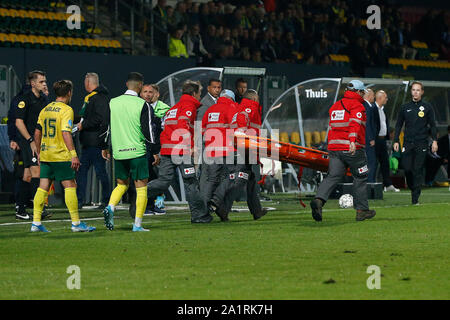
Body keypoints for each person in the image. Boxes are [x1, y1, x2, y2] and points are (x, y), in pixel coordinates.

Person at [30, 80, 96, 232]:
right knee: (70, 186)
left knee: (43, 187)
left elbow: (37, 132)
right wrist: (73, 154)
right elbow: (66, 132)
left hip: (46, 154)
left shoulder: (45, 109)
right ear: (69, 93)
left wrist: (39, 152)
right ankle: (76, 224)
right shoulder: (66, 109)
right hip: (60, 155)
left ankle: (36, 223)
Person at [145, 80, 213, 224]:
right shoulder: (189, 106)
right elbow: (183, 125)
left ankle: (140, 193)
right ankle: (199, 216)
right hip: (180, 151)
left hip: (167, 150)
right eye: (200, 94)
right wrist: (191, 146)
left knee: (163, 181)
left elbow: (165, 130)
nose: (200, 97)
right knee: (191, 183)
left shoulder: (173, 108)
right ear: (194, 93)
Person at [310, 80, 376, 222]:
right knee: (360, 176)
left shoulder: (335, 106)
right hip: (352, 148)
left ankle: (319, 200)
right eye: (363, 92)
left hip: (334, 148)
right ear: (358, 92)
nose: (364, 94)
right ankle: (362, 210)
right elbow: (354, 123)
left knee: (333, 176)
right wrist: (352, 141)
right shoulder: (357, 106)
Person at [102, 72, 156, 232]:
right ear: (140, 86)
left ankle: (110, 207)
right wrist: (154, 150)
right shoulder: (142, 104)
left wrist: (105, 147)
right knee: (141, 188)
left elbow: (106, 127)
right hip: (137, 152)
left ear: (127, 84)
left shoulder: (113, 102)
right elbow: (149, 132)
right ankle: (137, 225)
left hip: (119, 151)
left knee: (121, 184)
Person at [209, 89, 268, 221]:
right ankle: (219, 202)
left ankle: (256, 211)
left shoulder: (239, 108)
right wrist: (242, 137)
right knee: (239, 179)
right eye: (257, 98)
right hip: (244, 150)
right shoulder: (249, 108)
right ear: (253, 98)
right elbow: (243, 121)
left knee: (250, 180)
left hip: (239, 148)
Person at [393, 81, 438, 205]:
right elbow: (398, 125)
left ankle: (415, 198)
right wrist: (396, 140)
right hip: (407, 143)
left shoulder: (428, 107)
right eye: (413, 90)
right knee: (407, 169)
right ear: (411, 91)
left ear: (422, 92)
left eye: (418, 90)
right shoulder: (404, 107)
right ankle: (414, 188)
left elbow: (433, 126)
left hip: (422, 143)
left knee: (417, 169)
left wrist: (434, 141)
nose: (415, 92)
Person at [14, 70, 51, 220]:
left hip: (38, 141)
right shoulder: (25, 99)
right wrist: (30, 141)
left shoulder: (43, 99)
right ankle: (38, 209)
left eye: (45, 81)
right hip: (29, 142)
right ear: (33, 83)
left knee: (28, 175)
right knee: (37, 173)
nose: (44, 84)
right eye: (41, 82)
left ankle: (21, 209)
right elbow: (18, 122)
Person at [129, 83, 168, 216]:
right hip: (140, 148)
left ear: (155, 94)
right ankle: (139, 206)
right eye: (145, 91)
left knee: (152, 177)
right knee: (141, 178)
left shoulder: (162, 108)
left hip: (153, 148)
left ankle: (150, 205)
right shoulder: (138, 106)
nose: (148, 94)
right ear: (140, 93)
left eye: (150, 92)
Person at [201, 89, 238, 221]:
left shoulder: (210, 109)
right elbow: (236, 128)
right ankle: (217, 201)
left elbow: (202, 129)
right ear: (231, 99)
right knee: (232, 178)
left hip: (210, 149)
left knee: (211, 180)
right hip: (226, 149)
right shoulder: (232, 107)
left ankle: (203, 212)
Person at [75, 73, 111, 210]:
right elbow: (88, 117)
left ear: (89, 82)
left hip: (96, 142)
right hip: (88, 142)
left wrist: (83, 125)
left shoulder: (99, 98)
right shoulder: (92, 98)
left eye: (85, 81)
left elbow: (101, 119)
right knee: (83, 172)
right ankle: (80, 200)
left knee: (100, 172)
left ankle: (106, 200)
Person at [7, 81, 32, 220]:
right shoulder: (22, 100)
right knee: (23, 172)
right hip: (24, 141)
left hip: (24, 141)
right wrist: (14, 139)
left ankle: (23, 203)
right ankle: (20, 204)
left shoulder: (21, 98)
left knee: (25, 172)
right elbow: (14, 121)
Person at [372, 90, 399, 192]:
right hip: (375, 140)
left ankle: (388, 185)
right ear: (379, 98)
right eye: (385, 97)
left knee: (385, 163)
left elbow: (384, 124)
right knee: (373, 163)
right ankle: (372, 183)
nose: (387, 99)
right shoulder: (372, 109)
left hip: (382, 140)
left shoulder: (383, 109)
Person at [363, 88, 376, 184]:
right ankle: (370, 182)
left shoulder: (367, 106)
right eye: (373, 95)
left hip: (365, 139)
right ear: (368, 96)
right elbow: (367, 124)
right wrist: (371, 138)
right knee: (371, 161)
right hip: (367, 140)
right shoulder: (366, 106)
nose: (374, 97)